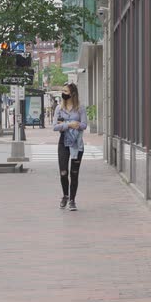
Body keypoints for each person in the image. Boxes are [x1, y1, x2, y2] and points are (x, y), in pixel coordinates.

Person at [52, 83, 87, 211]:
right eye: (62, 91)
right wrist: (70, 124)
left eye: (65, 91)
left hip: (76, 144)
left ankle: (72, 200)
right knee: (63, 172)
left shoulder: (80, 108)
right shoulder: (59, 109)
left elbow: (84, 125)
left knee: (74, 173)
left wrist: (69, 124)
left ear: (72, 93)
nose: (63, 93)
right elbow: (55, 127)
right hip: (63, 143)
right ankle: (65, 195)